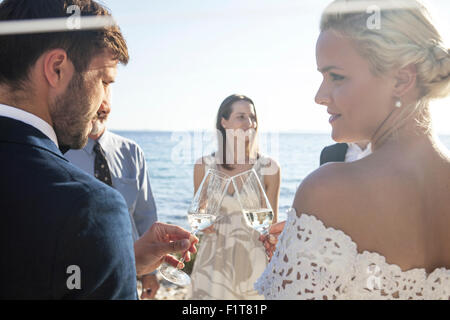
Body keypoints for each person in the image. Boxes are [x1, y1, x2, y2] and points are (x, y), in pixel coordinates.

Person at [0, 0, 196, 299]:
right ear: (57, 69)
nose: (105, 101)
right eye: (104, 80)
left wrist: (119, 259)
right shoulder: (90, 207)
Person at [257, 0, 450, 300]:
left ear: (402, 78)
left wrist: (290, 275)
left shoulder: (327, 191)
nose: (319, 96)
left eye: (336, 76)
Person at [65, 87, 160, 300]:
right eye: (94, 92)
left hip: (128, 273)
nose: (102, 104)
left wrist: (150, 273)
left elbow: (145, 215)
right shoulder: (58, 152)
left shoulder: (131, 152)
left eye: (107, 93)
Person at [189, 94, 281, 300]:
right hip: (213, 260)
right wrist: (203, 224)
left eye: (252, 117)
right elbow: (199, 213)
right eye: (241, 116)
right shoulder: (204, 165)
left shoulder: (269, 168)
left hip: (253, 260)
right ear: (224, 122)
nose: (249, 123)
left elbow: (272, 224)